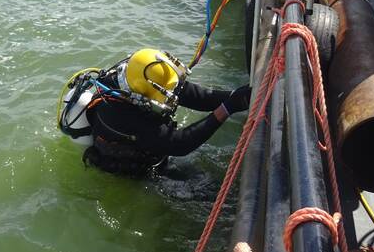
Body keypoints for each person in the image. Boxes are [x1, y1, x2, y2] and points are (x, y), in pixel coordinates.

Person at [58, 48, 251, 176]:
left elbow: (194, 95)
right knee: (202, 188)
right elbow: (181, 144)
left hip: (147, 142)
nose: (172, 95)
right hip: (137, 167)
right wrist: (227, 108)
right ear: (144, 93)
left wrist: (235, 96)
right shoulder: (119, 114)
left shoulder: (140, 75)